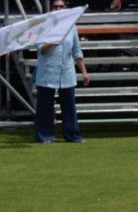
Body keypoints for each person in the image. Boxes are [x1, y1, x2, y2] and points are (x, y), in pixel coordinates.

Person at [34, 0, 89, 143]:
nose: (58, 8)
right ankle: (45, 136)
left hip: (66, 71)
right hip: (47, 72)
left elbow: (77, 50)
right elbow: (41, 49)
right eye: (55, 6)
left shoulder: (72, 27)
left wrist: (84, 71)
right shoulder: (44, 25)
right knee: (45, 107)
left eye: (61, 6)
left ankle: (72, 135)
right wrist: (54, 40)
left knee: (69, 106)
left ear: (66, 8)